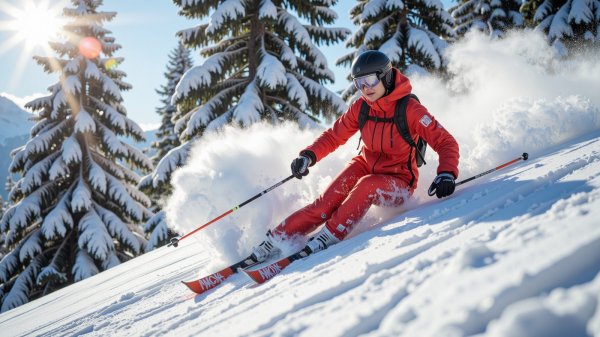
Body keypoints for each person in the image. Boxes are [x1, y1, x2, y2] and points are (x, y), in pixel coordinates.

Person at [251, 50, 460, 261]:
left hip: (399, 181)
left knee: (367, 185)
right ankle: (276, 239)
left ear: (385, 76)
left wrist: (446, 173)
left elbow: (445, 142)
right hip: (364, 165)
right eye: (359, 83)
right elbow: (334, 136)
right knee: (325, 204)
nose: (365, 88)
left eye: (370, 80)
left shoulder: (410, 109)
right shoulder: (361, 107)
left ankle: (329, 234)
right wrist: (308, 156)